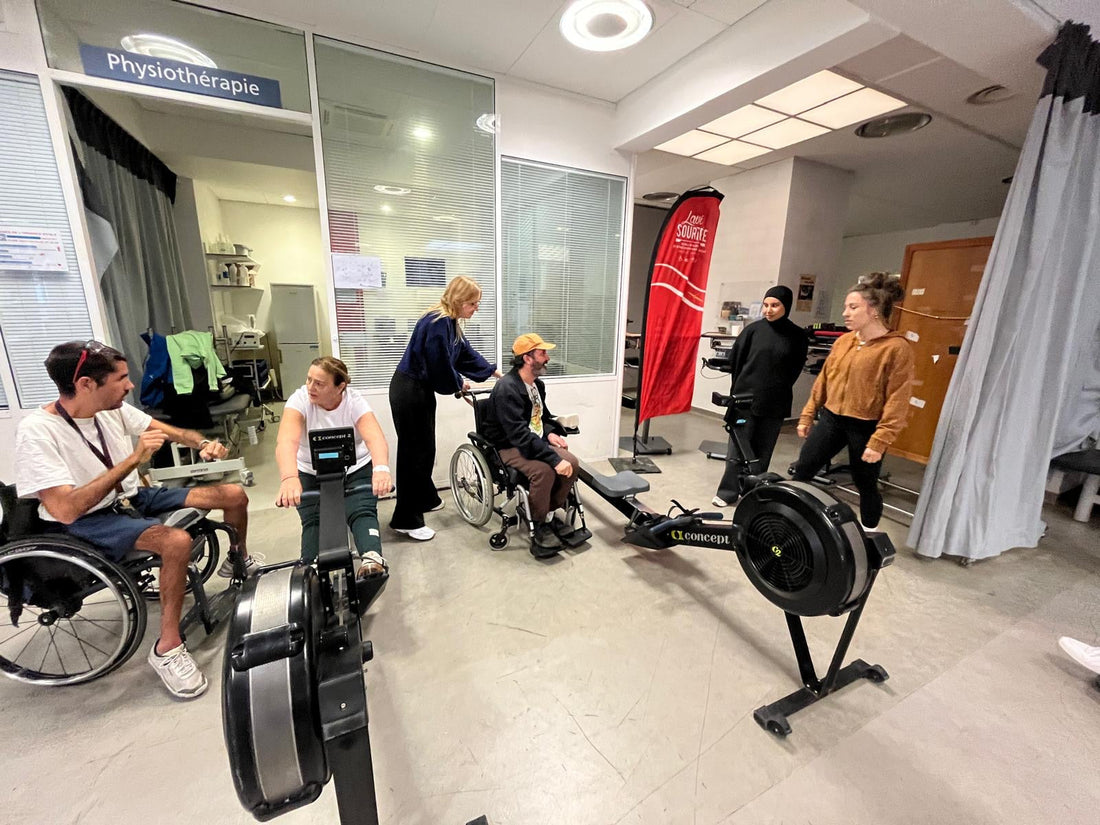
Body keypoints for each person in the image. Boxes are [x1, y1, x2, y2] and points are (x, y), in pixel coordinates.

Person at [14, 340, 257, 699]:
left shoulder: (110, 409)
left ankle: (239, 560)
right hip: (86, 520)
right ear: (85, 384)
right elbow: (66, 509)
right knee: (175, 541)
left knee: (233, 495)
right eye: (122, 379)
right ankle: (167, 648)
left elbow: (172, 432)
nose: (130, 386)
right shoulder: (38, 431)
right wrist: (133, 460)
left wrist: (202, 443)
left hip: (131, 499)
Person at [789, 273, 914, 529]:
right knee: (803, 469)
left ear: (875, 310)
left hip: (866, 425)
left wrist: (879, 441)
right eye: (846, 306)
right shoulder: (844, 341)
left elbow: (898, 399)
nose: (845, 313)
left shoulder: (896, 348)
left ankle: (870, 533)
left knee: (865, 482)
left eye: (853, 307)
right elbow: (824, 379)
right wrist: (807, 415)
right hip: (832, 418)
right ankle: (793, 519)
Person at [388, 276, 499, 541]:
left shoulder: (450, 323)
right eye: (473, 304)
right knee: (413, 454)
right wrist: (459, 384)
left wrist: (494, 372)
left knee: (426, 449)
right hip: (409, 390)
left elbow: (462, 354)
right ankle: (405, 519)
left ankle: (425, 497)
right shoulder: (437, 323)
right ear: (459, 301)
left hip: (420, 390)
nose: (475, 309)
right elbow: (438, 364)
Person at [275, 357, 392, 579]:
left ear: (340, 387)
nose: (311, 387)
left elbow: (375, 437)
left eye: (319, 383)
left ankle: (372, 558)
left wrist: (381, 469)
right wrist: (289, 477)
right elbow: (286, 441)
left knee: (361, 510)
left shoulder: (353, 401)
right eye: (309, 379)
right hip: (309, 469)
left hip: (355, 466)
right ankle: (309, 570)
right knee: (313, 519)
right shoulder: (299, 400)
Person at [482, 334, 579, 559]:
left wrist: (550, 432)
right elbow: (518, 435)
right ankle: (538, 524)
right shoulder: (507, 388)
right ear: (527, 358)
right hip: (509, 446)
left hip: (532, 440)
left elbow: (539, 417)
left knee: (572, 463)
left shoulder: (537, 385)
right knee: (544, 471)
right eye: (542, 353)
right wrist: (554, 459)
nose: (547, 358)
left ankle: (549, 512)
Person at [712, 285, 808, 507]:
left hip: (775, 402)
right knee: (737, 449)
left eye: (775, 305)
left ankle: (752, 492)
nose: (769, 310)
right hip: (744, 400)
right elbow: (736, 362)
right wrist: (739, 391)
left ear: (786, 306)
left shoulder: (797, 336)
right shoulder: (752, 331)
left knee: (763, 451)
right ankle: (727, 492)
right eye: (766, 305)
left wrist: (775, 389)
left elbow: (794, 369)